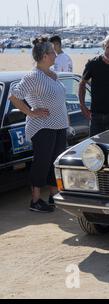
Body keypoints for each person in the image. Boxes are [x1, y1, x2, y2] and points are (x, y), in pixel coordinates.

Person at [9, 37, 69, 213]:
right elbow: (14, 96)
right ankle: (35, 200)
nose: (55, 54)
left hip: (59, 125)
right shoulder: (33, 76)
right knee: (42, 162)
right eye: (52, 52)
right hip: (42, 126)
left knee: (54, 162)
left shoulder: (52, 74)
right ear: (44, 56)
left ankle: (53, 195)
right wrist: (31, 112)